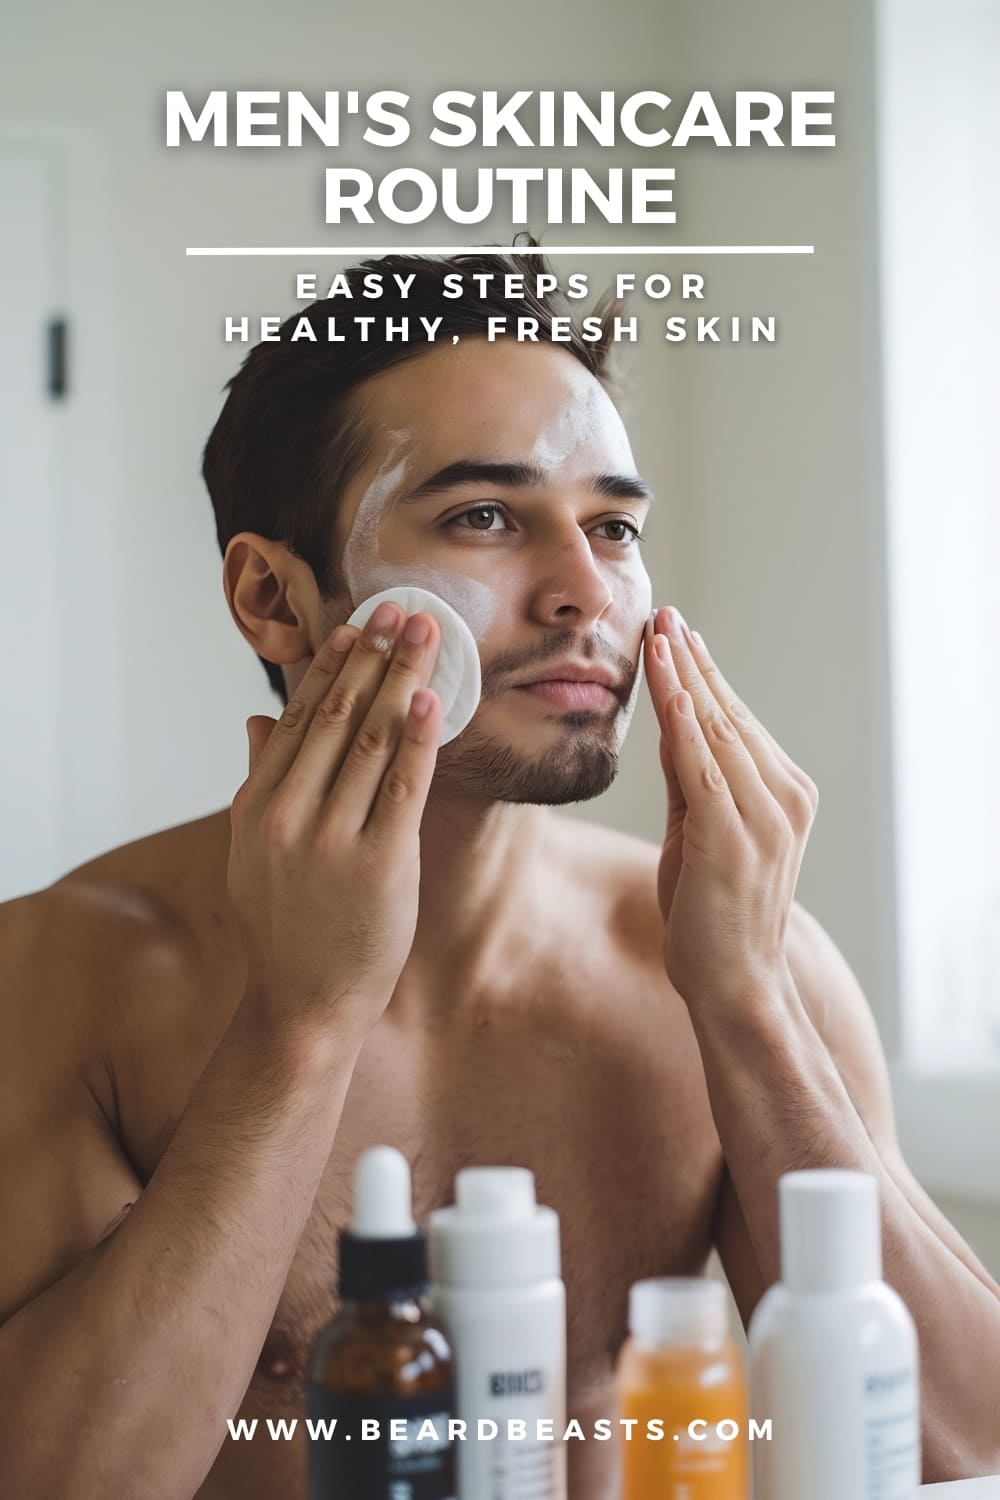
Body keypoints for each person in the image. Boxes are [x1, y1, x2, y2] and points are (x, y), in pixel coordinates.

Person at [0, 247, 997, 1500]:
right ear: (272, 597)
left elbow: (965, 1459)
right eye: (484, 516)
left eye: (616, 528)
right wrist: (300, 1028)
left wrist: (749, 1006)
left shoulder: (735, 962)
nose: (588, 593)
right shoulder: (53, 977)